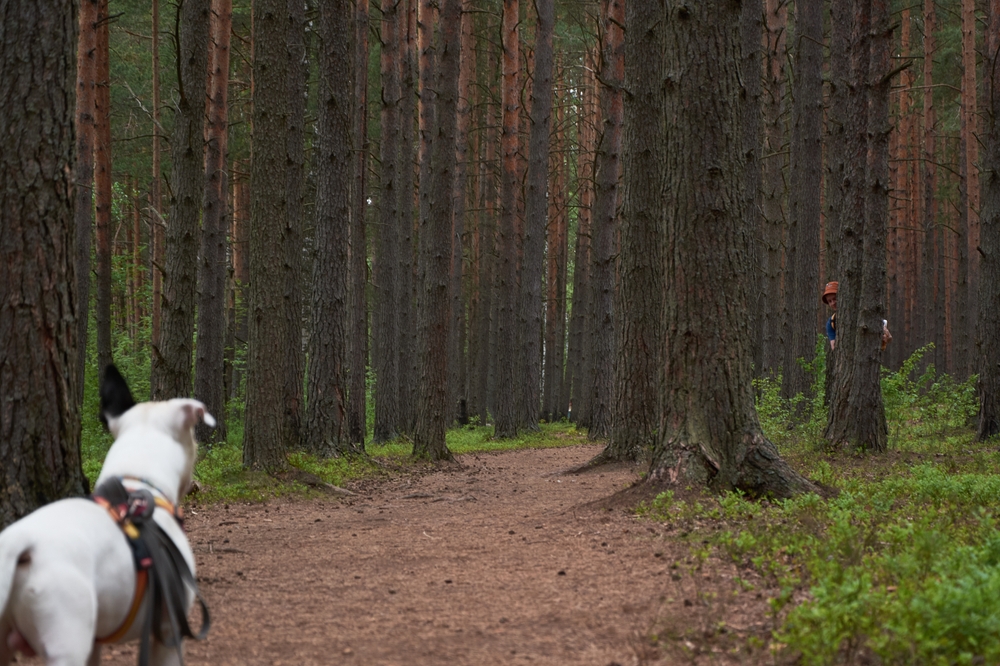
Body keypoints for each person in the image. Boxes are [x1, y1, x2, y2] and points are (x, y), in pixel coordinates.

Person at [821, 281, 891, 351]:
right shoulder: (831, 322)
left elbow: (889, 336)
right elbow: (834, 347)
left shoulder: (861, 313)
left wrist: (885, 336)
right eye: (829, 301)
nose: (833, 303)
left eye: (835, 298)